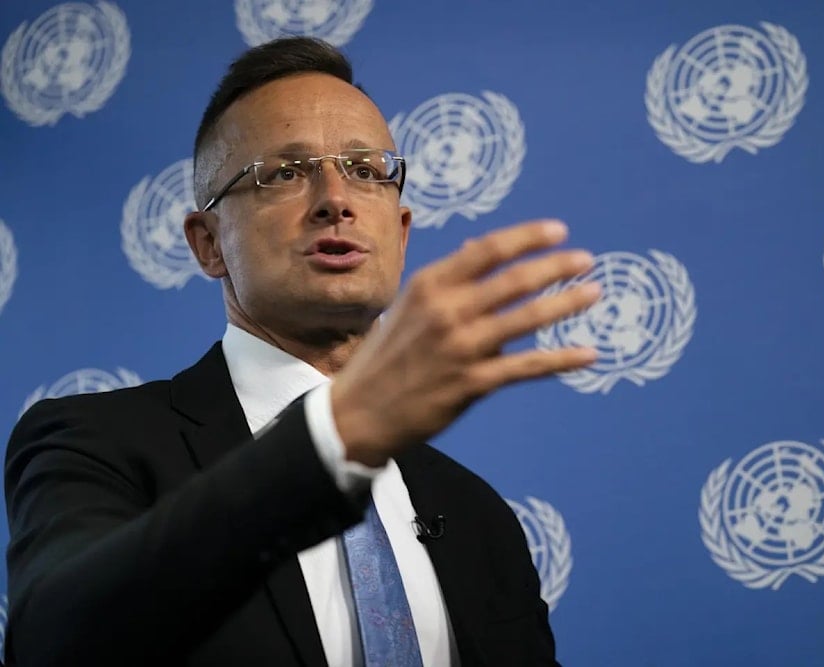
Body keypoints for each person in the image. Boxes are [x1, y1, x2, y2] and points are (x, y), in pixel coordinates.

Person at [3, 37, 599, 667]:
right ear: (208, 243)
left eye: (367, 171)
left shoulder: (477, 514)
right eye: (284, 173)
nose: (336, 200)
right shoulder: (94, 442)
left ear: (400, 234)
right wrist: (334, 439)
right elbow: (53, 642)